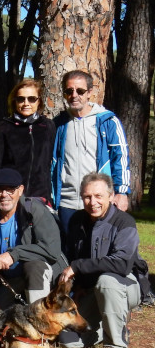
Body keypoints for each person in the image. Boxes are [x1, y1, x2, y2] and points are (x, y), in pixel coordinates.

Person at [59, 173, 142, 348]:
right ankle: (107, 327)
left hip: (125, 285)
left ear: (111, 196)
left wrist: (77, 266)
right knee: (67, 339)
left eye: (98, 196)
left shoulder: (124, 222)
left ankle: (115, 344)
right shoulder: (77, 220)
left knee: (107, 281)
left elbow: (122, 264)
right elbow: (75, 255)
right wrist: (78, 287)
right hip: (92, 289)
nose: (92, 202)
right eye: (87, 197)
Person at [0, 168, 66, 311]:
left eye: (10, 189)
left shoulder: (35, 211)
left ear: (20, 190)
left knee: (33, 267)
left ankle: (38, 319)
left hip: (45, 278)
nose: (4, 195)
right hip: (10, 282)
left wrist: (14, 254)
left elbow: (52, 250)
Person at [52, 70, 130, 230]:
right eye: (69, 91)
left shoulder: (108, 121)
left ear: (89, 92)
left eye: (80, 91)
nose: (74, 95)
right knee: (68, 246)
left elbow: (120, 157)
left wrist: (121, 192)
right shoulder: (58, 124)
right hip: (66, 203)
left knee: (99, 245)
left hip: (98, 203)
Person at [0, 79, 55, 205]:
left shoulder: (47, 126)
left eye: (32, 99)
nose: (26, 103)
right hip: (11, 194)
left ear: (39, 101)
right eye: (21, 99)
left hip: (41, 195)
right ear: (15, 101)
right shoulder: (5, 126)